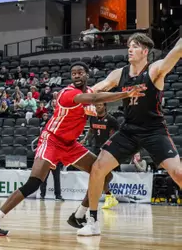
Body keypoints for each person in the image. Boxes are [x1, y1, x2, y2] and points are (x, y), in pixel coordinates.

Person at [0, 62, 145, 236]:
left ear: (86, 75)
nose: (76, 75)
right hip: (51, 140)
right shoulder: (67, 93)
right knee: (33, 183)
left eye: (80, 72)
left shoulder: (88, 92)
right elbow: (96, 99)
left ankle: (79, 214)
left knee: (104, 173)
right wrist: (126, 93)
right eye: (73, 73)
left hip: (70, 144)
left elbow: (99, 96)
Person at [77, 34, 182, 236]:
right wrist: (79, 97)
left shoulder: (155, 70)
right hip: (129, 130)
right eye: (129, 46)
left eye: (135, 46)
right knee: (98, 167)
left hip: (154, 130)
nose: (130, 49)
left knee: (178, 173)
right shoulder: (120, 73)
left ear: (145, 52)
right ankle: (92, 221)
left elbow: (176, 52)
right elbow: (100, 87)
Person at [79, 102, 120, 210]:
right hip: (96, 148)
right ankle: (109, 196)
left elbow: (118, 134)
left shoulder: (111, 120)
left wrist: (113, 144)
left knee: (102, 174)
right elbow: (91, 131)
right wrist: (85, 140)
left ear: (105, 107)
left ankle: (107, 196)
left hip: (107, 149)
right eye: (96, 105)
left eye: (100, 105)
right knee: (99, 174)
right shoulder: (93, 118)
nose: (98, 107)